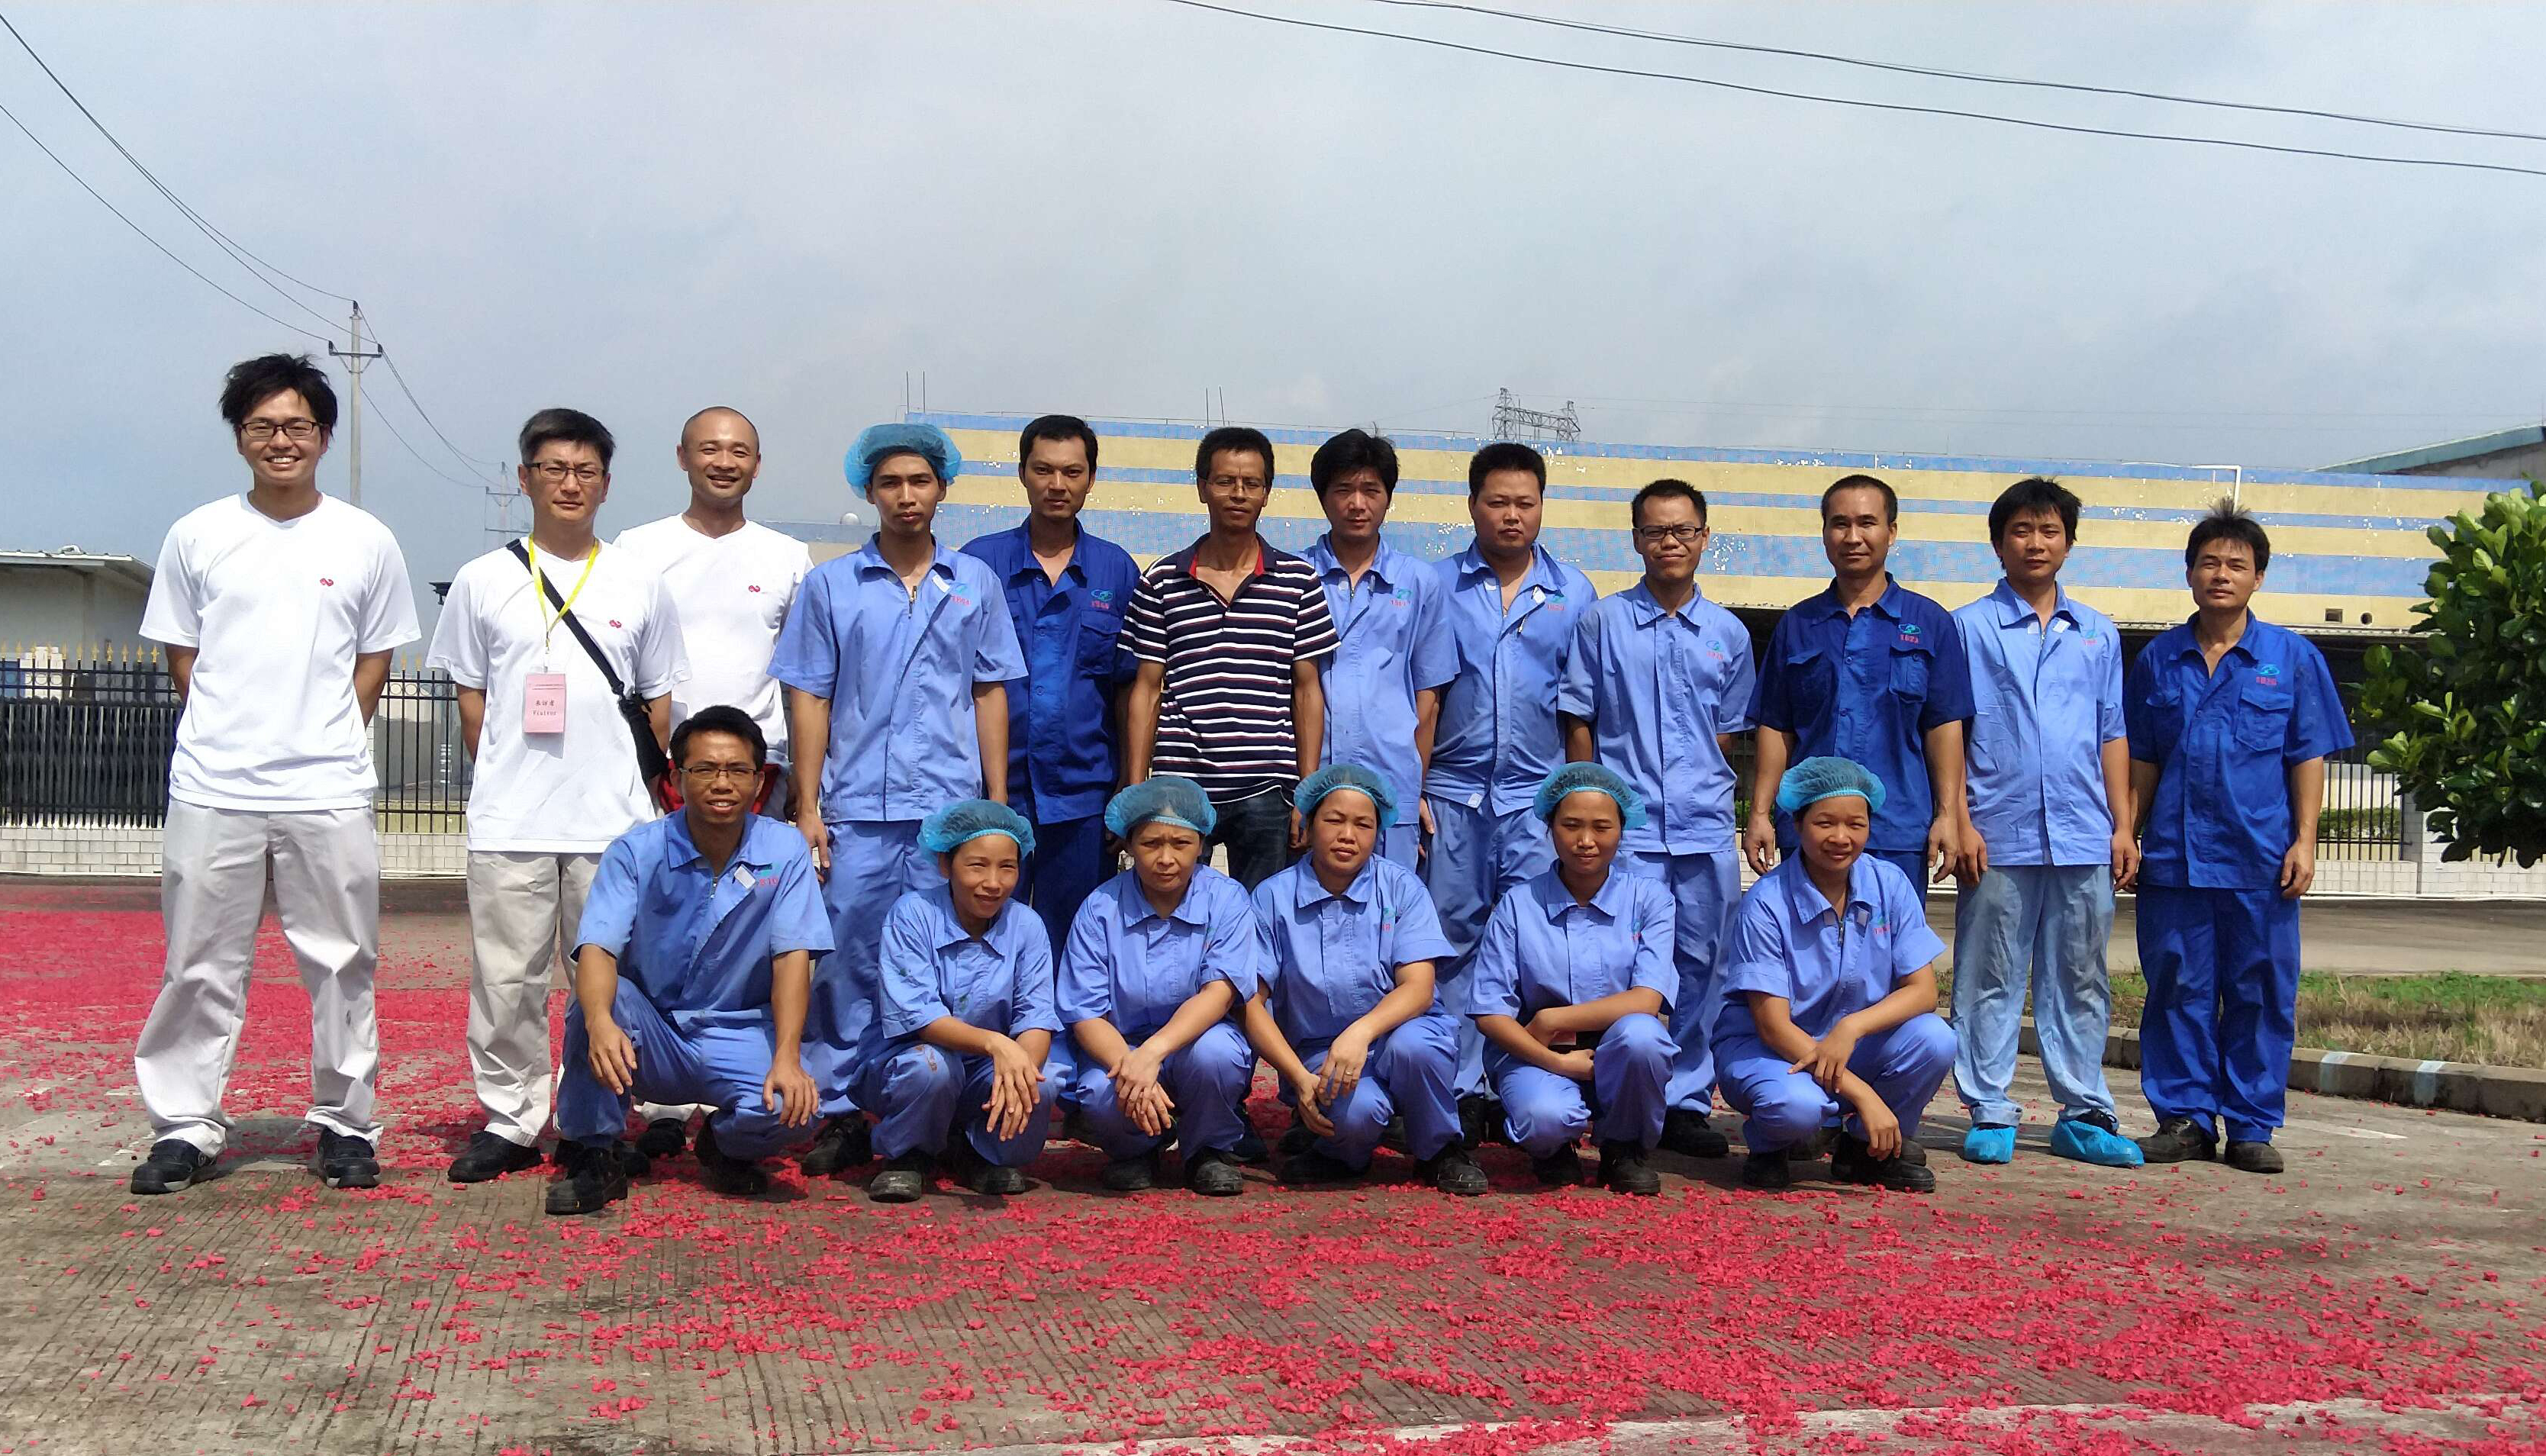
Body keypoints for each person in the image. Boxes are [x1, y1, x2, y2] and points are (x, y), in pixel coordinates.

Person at [128, 353, 421, 1196]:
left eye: (297, 425)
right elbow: (184, 654)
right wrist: (229, 730)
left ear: (323, 436)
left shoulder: (365, 539)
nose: (280, 440)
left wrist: (326, 733)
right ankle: (185, 1125)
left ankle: (345, 1125)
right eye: (262, 426)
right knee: (198, 963)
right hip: (214, 786)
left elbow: (376, 655)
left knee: (342, 962)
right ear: (239, 438)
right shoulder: (197, 535)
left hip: (327, 786)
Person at [429, 408, 688, 1184]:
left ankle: (591, 1119)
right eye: (553, 469)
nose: (569, 484)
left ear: (606, 484)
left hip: (611, 824)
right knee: (506, 981)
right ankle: (511, 1120)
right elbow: (472, 701)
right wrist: (507, 776)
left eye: (585, 471)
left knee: (607, 983)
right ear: (525, 479)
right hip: (511, 820)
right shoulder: (482, 580)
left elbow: (659, 701)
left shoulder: (639, 581)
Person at [769, 423, 1026, 1178]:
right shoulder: (832, 585)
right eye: (890, 484)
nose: (906, 496)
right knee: (847, 964)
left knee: (950, 962)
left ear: (943, 488)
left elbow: (989, 691)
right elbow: (810, 697)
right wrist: (807, 806)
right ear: (869, 491)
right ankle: (844, 1111)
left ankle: (942, 1111)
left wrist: (996, 806)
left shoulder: (974, 582)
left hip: (949, 812)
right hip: (857, 809)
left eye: (919, 481)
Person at [2126, 502, 2351, 1174]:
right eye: (2209, 563)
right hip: (2175, 860)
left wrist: (2305, 841)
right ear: (2189, 573)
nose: (2221, 575)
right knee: (2177, 988)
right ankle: (2185, 1119)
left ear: (2258, 578)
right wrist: (2127, 833)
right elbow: (2143, 758)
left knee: (2261, 989)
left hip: (2260, 860)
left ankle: (2252, 1124)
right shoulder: (2158, 660)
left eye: (2236, 565)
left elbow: (2306, 755)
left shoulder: (2292, 658)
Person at [613, 405, 812, 1160]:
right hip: (669, 774)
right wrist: (654, 769)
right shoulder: (639, 549)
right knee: (660, 931)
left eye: (738, 451)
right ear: (682, 457)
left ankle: (736, 1089)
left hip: (761, 773)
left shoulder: (788, 557)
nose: (723, 462)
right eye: (709, 449)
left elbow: (803, 678)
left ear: (757, 464)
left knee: (748, 938)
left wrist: (802, 794)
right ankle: (663, 1104)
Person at [546, 707, 830, 1215]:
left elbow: (792, 957)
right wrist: (600, 1021)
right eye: (704, 769)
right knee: (597, 1005)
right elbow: (597, 948)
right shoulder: (636, 852)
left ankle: (725, 1145)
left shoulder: (784, 850)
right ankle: (594, 1153)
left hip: (739, 1029)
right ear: (676, 779)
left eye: (737, 770)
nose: (722, 783)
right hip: (651, 1031)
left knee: (797, 1107)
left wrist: (787, 1057)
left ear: (759, 781)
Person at [1949, 478, 2143, 1169]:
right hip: (1997, 830)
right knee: (1989, 972)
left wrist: (2122, 826)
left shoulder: (2097, 632)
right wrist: (1958, 818)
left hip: (2083, 831)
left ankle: (2084, 1110)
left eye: (2050, 531)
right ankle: (1989, 1106)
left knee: (2080, 976)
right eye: (2022, 531)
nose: (2036, 543)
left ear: (2069, 542)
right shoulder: (1967, 628)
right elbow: (1950, 730)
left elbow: (2112, 732)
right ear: (1998, 543)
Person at [1558, 478, 1755, 1162]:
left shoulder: (1729, 633)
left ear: (1704, 538)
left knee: (1704, 963)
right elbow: (1578, 719)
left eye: (1683, 530)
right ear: (1636, 539)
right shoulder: (1603, 623)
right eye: (1655, 531)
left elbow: (1728, 731)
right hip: (1630, 829)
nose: (1670, 542)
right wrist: (1591, 810)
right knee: (1619, 963)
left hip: (1703, 825)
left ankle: (1686, 1101)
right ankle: (1614, 1094)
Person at [1426, 442, 1599, 1145]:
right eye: (1497, 501)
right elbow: (1425, 696)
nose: (1511, 515)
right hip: (1453, 793)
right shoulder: (1437, 585)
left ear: (1542, 507)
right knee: (1452, 943)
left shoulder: (1574, 592)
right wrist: (1416, 785)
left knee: (1537, 947)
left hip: (1536, 798)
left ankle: (1528, 1084)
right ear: (1472, 505)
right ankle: (1459, 1089)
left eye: (1525, 503)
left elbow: (1580, 708)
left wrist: (1578, 798)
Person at [1715, 758, 1956, 1195]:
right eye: (1824, 823)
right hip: (1773, 1051)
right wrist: (1863, 1095)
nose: (1841, 838)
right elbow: (1772, 1027)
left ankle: (1865, 1151)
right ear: (1797, 824)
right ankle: (1770, 1147)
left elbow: (1923, 992)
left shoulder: (1890, 884)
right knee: (1796, 1108)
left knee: (1935, 1039)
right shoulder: (1766, 903)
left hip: (1851, 1047)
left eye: (1856, 824)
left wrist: (1852, 1027)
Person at [1239, 765, 1484, 1194]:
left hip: (1398, 1034)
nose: (1347, 835)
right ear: (1307, 824)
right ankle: (1343, 1153)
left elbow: (1418, 988)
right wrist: (1298, 1078)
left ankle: (1439, 1151)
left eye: (1363, 824)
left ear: (1379, 831)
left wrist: (1361, 1032)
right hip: (1320, 1054)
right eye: (1334, 820)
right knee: (1356, 1115)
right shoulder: (1272, 898)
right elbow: (1251, 1004)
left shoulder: (1402, 888)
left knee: (1416, 1047)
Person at [1120, 425, 1337, 891]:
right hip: (1180, 786)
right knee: (1173, 911)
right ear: (1202, 487)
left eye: (1251, 483)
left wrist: (1307, 791)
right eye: (1225, 481)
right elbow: (1147, 689)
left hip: (1267, 788)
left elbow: (1306, 691)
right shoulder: (1161, 580)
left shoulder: (1298, 581)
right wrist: (1137, 790)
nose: (1238, 494)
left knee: (1264, 914)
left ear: (1266, 493)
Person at [958, 414, 1140, 955]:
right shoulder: (979, 563)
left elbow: (1129, 689)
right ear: (1022, 473)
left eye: (1072, 472)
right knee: (984, 933)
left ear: (1091, 479)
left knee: (1078, 940)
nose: (1057, 485)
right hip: (993, 790)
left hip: (1083, 796)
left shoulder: (1115, 571)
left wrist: (1127, 787)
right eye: (1043, 470)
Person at [1745, 474, 1972, 891]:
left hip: (1898, 832)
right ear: (1824, 534)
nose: (1853, 537)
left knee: (1893, 933)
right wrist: (1759, 813)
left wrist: (1947, 816)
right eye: (1840, 524)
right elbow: (1776, 727)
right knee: (1806, 932)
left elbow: (1943, 728)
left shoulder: (1930, 623)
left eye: (1867, 523)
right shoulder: (1799, 624)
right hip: (1811, 828)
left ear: (1891, 532)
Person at [1463, 763, 1676, 1196]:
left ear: (1623, 829)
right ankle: (1552, 1149)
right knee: (1544, 1120)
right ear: (1550, 827)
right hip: (1537, 1053)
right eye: (1572, 825)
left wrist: (1553, 1019)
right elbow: (1490, 1011)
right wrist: (1557, 1061)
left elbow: (1647, 1000)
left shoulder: (1650, 899)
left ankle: (1623, 1148)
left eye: (1602, 827)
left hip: (1615, 1051)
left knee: (1643, 1037)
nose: (1586, 841)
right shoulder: (1518, 905)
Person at [1058, 776, 1265, 1196]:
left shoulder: (1227, 900)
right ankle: (1137, 1149)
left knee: (1218, 1056)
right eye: (1151, 844)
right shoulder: (1099, 908)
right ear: (1129, 845)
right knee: (1099, 1091)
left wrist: (1152, 1053)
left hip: (1196, 1041)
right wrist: (1134, 1065)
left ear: (1202, 844)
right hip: (1121, 1045)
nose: (1166, 859)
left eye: (1181, 844)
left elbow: (1220, 992)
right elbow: (1085, 1012)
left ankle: (1208, 1150)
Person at [860, 799, 1063, 1203]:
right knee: (932, 1068)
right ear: (945, 865)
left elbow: (1036, 1015)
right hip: (911, 1061)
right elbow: (919, 1017)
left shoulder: (1027, 924)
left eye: (1007, 867)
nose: (993, 882)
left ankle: (976, 1153)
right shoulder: (912, 914)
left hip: (986, 1069)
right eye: (977, 866)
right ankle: (908, 1155)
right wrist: (996, 1044)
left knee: (1045, 1082)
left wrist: (1021, 1070)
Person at [1301, 430, 1455, 868]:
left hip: (1393, 783)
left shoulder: (1419, 582)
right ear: (1322, 497)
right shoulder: (1293, 576)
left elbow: (1428, 697)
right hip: (1310, 783)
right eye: (1343, 490)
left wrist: (1414, 786)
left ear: (1388, 498)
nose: (1357, 504)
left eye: (1371, 490)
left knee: (1389, 901)